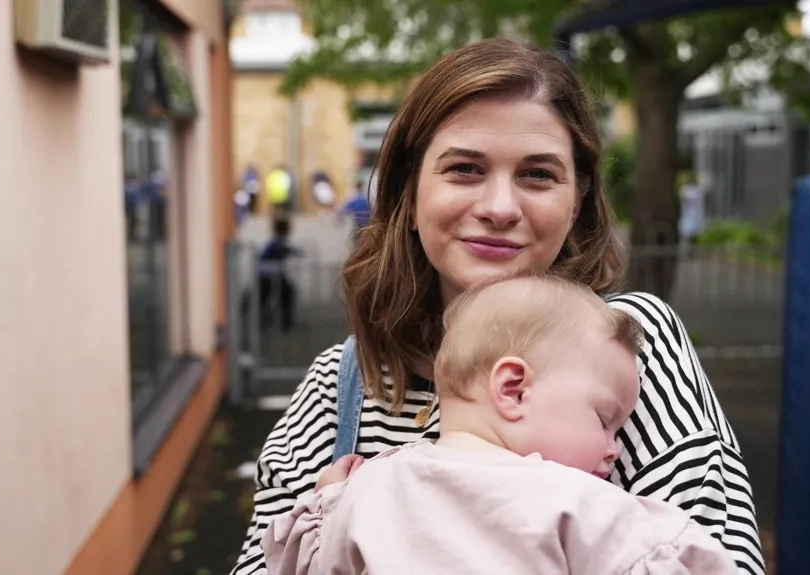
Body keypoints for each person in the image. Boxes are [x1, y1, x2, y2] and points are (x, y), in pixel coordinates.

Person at [231, 38, 764, 575]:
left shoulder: (624, 347)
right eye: (464, 168)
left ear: (575, 204)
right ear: (409, 196)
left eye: (538, 175)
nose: (500, 208)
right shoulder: (337, 387)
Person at [261, 273, 738, 575]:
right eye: (603, 420)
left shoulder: (368, 487)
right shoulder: (578, 504)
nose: (613, 448)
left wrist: (326, 499)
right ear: (513, 389)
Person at [256, 216, 302, 331]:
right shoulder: (278, 242)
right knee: (287, 294)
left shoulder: (275, 241)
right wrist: (296, 252)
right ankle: (285, 323)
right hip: (270, 276)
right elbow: (284, 250)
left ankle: (268, 321)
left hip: (266, 275)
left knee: (266, 298)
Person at [336, 177, 372, 243]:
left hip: (358, 224)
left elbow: (345, 209)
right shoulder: (365, 198)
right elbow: (371, 210)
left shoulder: (354, 199)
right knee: (365, 241)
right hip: (366, 223)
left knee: (356, 241)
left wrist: (340, 219)